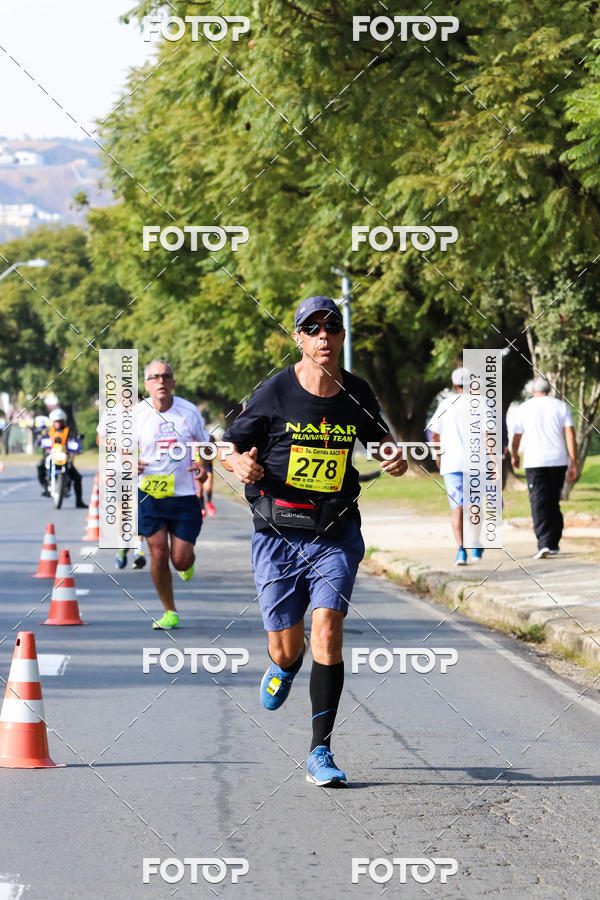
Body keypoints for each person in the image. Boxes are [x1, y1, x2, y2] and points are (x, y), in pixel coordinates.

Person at [220, 296, 407, 788]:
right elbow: (227, 445)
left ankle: (320, 750)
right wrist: (237, 463)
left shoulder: (357, 392)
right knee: (286, 648)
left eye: (333, 328)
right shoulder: (274, 392)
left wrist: (395, 457)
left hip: (335, 530)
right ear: (299, 338)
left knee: (327, 630)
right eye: (313, 329)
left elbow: (379, 440)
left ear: (342, 337)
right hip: (279, 531)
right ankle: (284, 666)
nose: (325, 337)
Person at [137, 359, 210, 629]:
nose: (161, 381)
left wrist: (203, 464)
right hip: (150, 495)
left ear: (173, 382)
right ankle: (170, 611)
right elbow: (120, 447)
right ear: (146, 384)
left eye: (166, 376)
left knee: (179, 559)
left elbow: (204, 443)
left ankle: (186, 563)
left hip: (184, 496)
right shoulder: (138, 415)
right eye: (155, 377)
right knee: (157, 553)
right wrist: (129, 462)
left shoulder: (188, 412)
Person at [511, 376, 578, 559]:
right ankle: (553, 542)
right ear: (549, 390)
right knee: (552, 501)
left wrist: (514, 454)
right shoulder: (560, 406)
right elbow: (570, 436)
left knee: (539, 502)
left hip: (535, 461)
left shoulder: (524, 408)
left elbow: (516, 435)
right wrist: (574, 462)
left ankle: (544, 544)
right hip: (558, 460)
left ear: (533, 391)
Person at [427, 368, 483, 566]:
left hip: (452, 464)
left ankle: (461, 550)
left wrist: (438, 455)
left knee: (456, 507)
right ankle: (475, 543)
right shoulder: (481, 403)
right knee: (475, 505)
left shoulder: (445, 404)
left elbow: (434, 434)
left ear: (454, 385)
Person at [37, 408, 87, 508]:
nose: (58, 423)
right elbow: (41, 440)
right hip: (51, 455)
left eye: (60, 421)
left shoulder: (69, 432)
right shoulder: (48, 431)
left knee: (78, 477)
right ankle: (45, 487)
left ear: (63, 421)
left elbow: (74, 440)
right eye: (56, 421)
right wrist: (40, 441)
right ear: (53, 422)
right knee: (40, 466)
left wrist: (76, 444)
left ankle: (79, 502)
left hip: (64, 457)